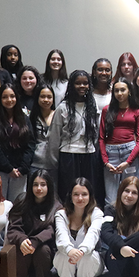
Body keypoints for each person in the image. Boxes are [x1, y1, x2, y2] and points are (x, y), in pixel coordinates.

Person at [7, 170, 61, 277]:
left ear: (49, 186)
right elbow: (13, 228)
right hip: (23, 245)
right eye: (35, 184)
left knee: (42, 251)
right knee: (20, 250)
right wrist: (23, 240)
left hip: (44, 247)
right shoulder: (21, 201)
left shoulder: (56, 206)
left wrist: (35, 241)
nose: (39, 188)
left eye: (43, 184)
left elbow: (52, 230)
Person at [47, 70, 103, 204]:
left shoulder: (92, 106)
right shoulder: (63, 107)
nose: (82, 86)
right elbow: (54, 137)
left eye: (85, 83)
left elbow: (96, 135)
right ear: (71, 85)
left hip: (88, 155)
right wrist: (56, 161)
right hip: (68, 155)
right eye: (78, 83)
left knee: (87, 193)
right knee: (69, 193)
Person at [53, 178, 104, 277]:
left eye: (84, 194)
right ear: (70, 196)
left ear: (90, 196)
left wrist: (81, 251)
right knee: (63, 256)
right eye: (76, 194)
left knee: (87, 256)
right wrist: (70, 250)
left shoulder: (97, 214)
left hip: (90, 261)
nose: (80, 198)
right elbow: (61, 236)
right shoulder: (61, 215)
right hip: (67, 258)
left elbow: (93, 235)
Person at [0, 83, 36, 201]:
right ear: (0, 99)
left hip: (20, 172)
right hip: (1, 171)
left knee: (18, 204)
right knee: (0, 203)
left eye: (12, 96)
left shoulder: (24, 119)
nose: (9, 100)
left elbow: (30, 144)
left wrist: (23, 167)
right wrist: (8, 168)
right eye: (5, 97)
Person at [100, 77, 139, 205]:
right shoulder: (106, 110)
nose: (119, 93)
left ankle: (130, 224)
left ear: (129, 91)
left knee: (131, 194)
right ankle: (110, 223)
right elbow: (101, 138)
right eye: (116, 91)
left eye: (123, 90)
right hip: (111, 154)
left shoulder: (137, 111)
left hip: (129, 153)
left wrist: (128, 162)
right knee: (111, 198)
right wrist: (106, 162)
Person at [29, 84, 56, 172]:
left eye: (49, 97)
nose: (46, 100)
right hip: (35, 163)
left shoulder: (58, 115)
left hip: (54, 164)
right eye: (42, 97)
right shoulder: (32, 117)